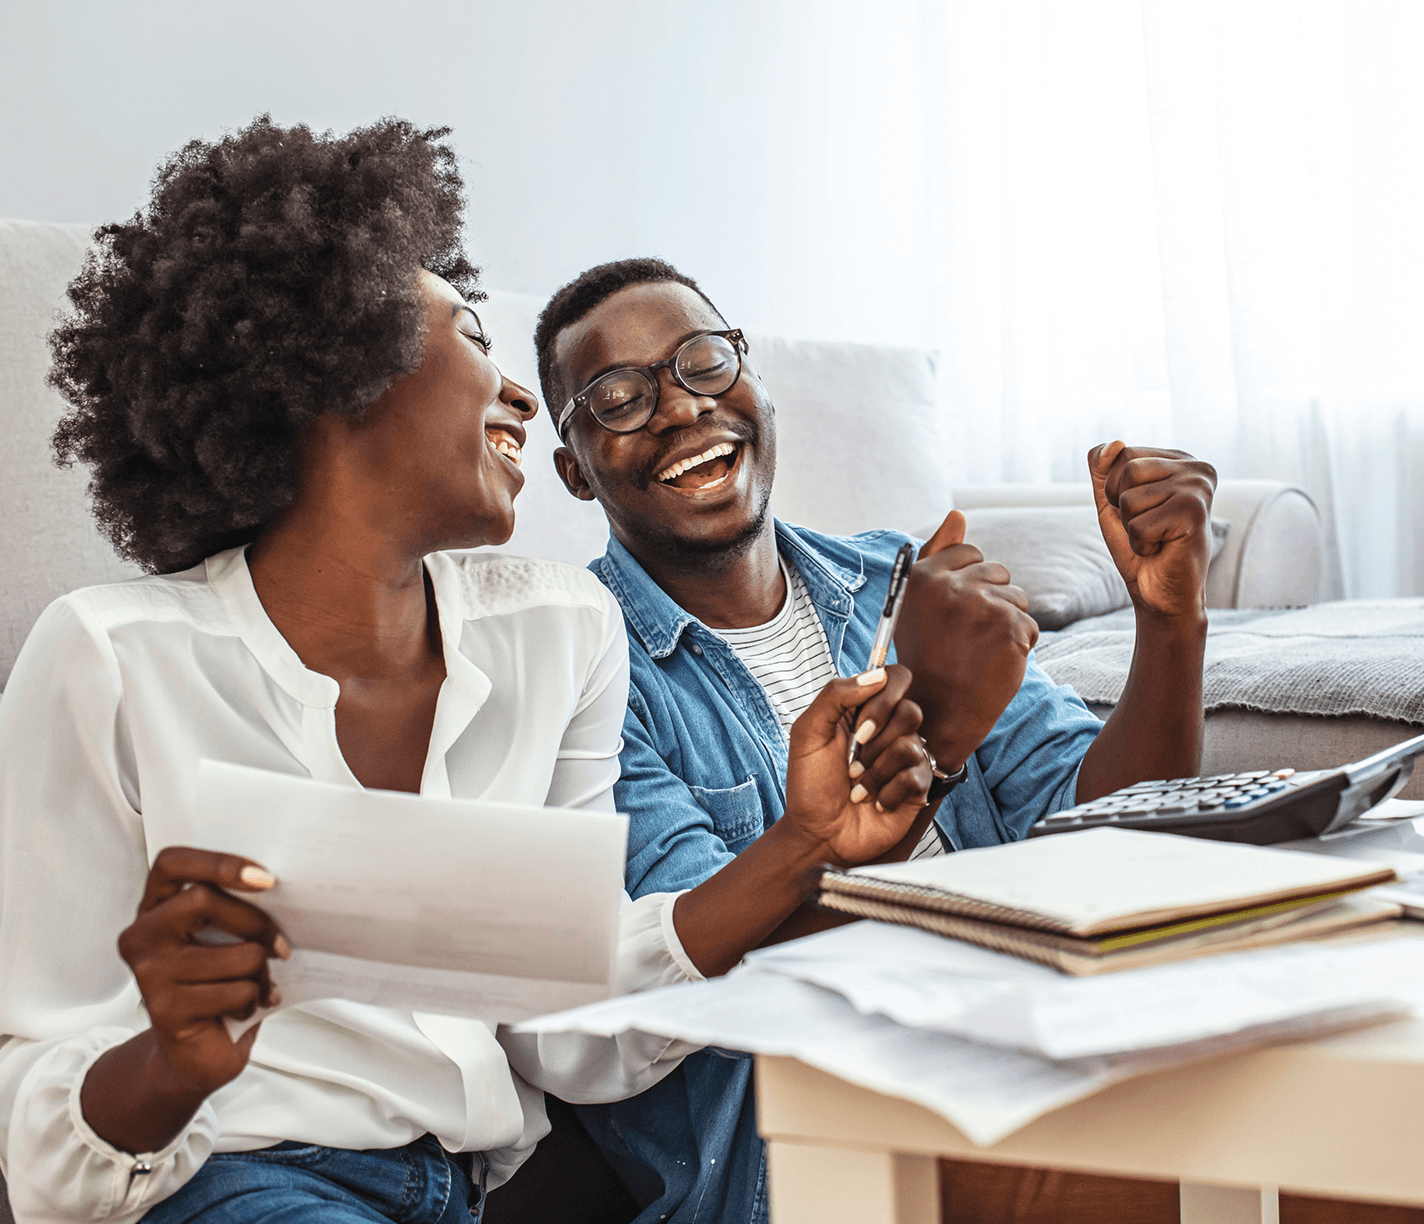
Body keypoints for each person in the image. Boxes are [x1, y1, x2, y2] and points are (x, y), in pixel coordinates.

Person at [0, 122, 930, 1224]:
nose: (523, 399)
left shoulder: (557, 633)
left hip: (476, 1190)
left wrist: (804, 845)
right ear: (340, 372)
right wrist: (170, 1064)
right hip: (232, 1178)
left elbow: (566, 1027)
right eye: (474, 336)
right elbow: (37, 1133)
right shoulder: (110, 658)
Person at [534, 257, 1216, 1223]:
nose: (682, 407)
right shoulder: (579, 665)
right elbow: (707, 967)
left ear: (756, 381)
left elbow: (1113, 829)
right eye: (619, 399)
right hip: (817, 1156)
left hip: (1042, 1049)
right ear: (574, 470)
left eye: (704, 361)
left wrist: (1171, 621)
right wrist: (939, 740)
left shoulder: (895, 578)